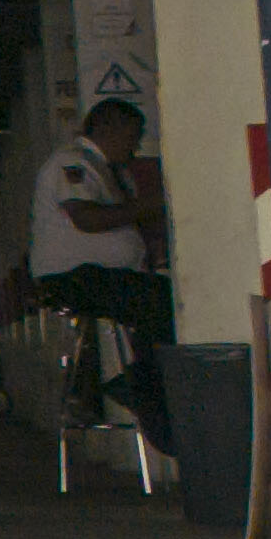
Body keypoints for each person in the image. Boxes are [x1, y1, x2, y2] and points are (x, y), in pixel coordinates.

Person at [25, 94, 176, 416]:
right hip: (75, 276)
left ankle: (143, 380)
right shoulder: (73, 163)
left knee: (159, 299)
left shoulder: (104, 169)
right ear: (109, 128)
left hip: (99, 275)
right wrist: (148, 206)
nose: (134, 148)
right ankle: (143, 382)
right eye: (132, 137)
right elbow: (87, 219)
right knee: (161, 302)